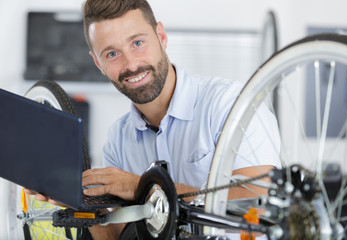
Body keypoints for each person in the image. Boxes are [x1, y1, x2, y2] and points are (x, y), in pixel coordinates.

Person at [26, 0, 281, 239]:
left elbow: (262, 205)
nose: (131, 64)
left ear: (161, 36)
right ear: (98, 63)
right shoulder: (118, 139)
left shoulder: (231, 105)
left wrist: (142, 187)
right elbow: (116, 235)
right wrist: (83, 204)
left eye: (137, 43)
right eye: (112, 54)